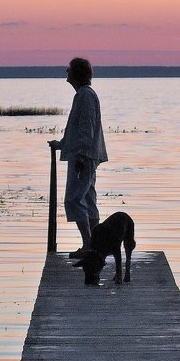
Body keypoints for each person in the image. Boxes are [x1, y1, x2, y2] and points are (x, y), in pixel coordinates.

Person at [48, 58, 108, 257]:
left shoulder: (85, 96)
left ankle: (89, 245)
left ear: (76, 74)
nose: (66, 73)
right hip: (84, 154)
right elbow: (76, 126)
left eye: (69, 70)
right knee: (88, 198)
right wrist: (62, 144)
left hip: (84, 156)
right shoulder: (82, 95)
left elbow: (87, 127)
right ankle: (93, 244)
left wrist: (81, 154)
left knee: (74, 199)